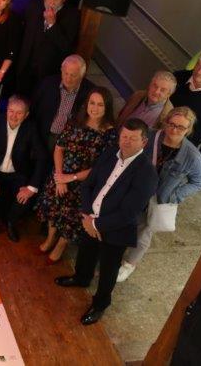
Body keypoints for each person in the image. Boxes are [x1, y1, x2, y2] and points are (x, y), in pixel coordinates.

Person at [55, 119, 157, 326]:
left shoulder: (147, 173)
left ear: (144, 142)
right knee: (86, 252)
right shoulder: (110, 153)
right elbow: (88, 184)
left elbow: (129, 213)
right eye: (124, 136)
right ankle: (81, 278)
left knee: (108, 271)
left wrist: (96, 225)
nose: (126, 141)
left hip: (115, 229)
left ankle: (100, 304)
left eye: (133, 138)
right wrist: (87, 215)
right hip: (90, 218)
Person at [118, 107, 201, 282]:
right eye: (172, 124)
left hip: (157, 199)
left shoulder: (192, 156)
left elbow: (199, 182)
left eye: (181, 127)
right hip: (135, 190)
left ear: (188, 130)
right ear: (166, 122)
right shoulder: (150, 137)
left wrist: (175, 196)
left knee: (144, 231)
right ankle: (115, 249)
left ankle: (129, 264)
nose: (174, 130)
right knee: (124, 220)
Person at [38, 87, 118, 263]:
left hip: (84, 183)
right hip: (60, 174)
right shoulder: (75, 122)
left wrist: (71, 178)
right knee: (53, 209)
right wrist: (60, 177)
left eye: (100, 105)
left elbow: (100, 167)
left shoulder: (111, 134)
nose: (94, 108)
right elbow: (59, 148)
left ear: (107, 107)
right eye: (92, 103)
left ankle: (61, 245)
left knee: (71, 218)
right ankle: (50, 238)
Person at [0, 96, 47, 242]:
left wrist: (31, 187)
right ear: (6, 110)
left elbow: (42, 157)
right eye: (11, 111)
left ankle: (11, 223)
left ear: (26, 115)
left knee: (24, 199)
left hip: (18, 174)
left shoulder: (31, 127)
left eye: (19, 113)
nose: (14, 116)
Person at [15, 0, 80, 95]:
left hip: (49, 73)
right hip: (25, 68)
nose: (51, 3)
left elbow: (67, 47)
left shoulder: (72, 15)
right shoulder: (33, 6)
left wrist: (52, 25)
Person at [33, 55, 95, 152]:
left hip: (70, 142)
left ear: (82, 75)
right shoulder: (48, 84)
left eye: (73, 75)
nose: (68, 79)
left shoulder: (91, 92)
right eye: (66, 73)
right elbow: (34, 108)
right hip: (43, 135)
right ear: (61, 70)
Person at [170, 54, 201, 152]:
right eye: (198, 65)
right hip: (159, 132)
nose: (199, 72)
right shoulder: (178, 77)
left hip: (184, 148)